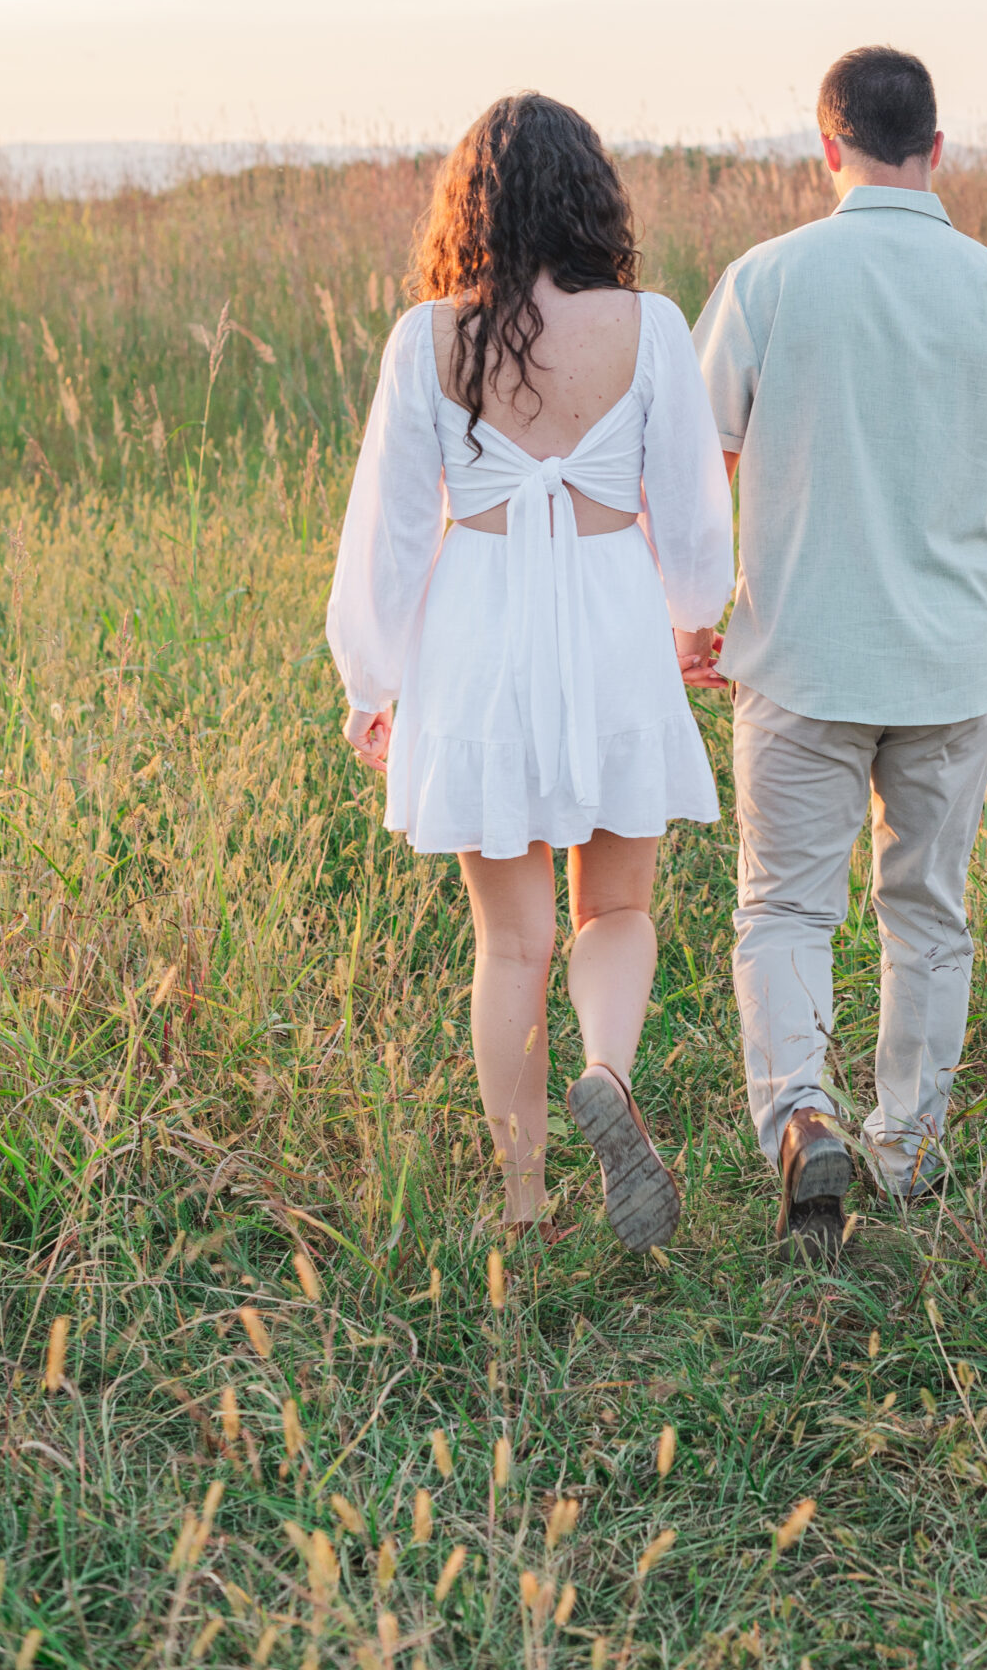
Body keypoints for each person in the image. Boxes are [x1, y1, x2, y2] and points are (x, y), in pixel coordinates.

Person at [692, 45, 987, 1256]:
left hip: (798, 658)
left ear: (827, 149)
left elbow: (698, 464)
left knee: (784, 908)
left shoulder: (764, 282)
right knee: (925, 908)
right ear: (937, 147)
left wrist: (690, 615)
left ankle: (801, 1112)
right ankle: (906, 1143)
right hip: (949, 666)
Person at [326, 93, 733, 1253]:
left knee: (509, 941)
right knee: (618, 905)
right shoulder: (650, 326)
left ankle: (523, 1198)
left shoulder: (428, 338)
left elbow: (392, 530)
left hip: (479, 629)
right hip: (610, 615)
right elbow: (696, 508)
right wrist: (693, 621)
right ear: (589, 195)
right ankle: (607, 1067)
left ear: (473, 205)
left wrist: (373, 676)